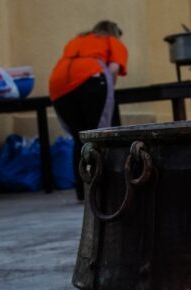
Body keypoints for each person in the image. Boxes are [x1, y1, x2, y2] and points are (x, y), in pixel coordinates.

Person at [49, 20, 128, 200]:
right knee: (101, 135)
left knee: (81, 138)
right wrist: (108, 88)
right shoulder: (112, 41)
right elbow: (113, 69)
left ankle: (82, 191)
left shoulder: (77, 41)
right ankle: (108, 186)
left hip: (58, 85)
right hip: (90, 81)